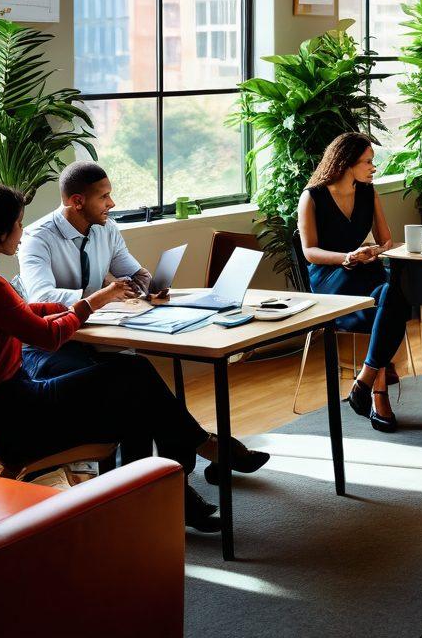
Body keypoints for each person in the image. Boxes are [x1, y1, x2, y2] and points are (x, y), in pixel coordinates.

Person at [0, 183, 235, 532]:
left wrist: (74, 304)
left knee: (135, 397)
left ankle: (158, 494)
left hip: (5, 409)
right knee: (134, 373)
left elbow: (20, 312)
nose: (22, 231)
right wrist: (92, 303)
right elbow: (47, 337)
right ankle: (194, 447)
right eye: (18, 223)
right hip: (18, 420)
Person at [18, 160, 267, 478]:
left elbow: (134, 272)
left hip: (95, 338)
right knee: (135, 389)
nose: (112, 203)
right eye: (103, 196)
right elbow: (41, 298)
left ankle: (172, 475)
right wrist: (101, 297)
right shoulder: (38, 238)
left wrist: (150, 287)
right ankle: (193, 456)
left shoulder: (106, 229)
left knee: (137, 381)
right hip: (52, 348)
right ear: (77, 201)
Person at [297, 133, 411, 433]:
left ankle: (365, 378)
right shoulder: (312, 196)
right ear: (347, 163)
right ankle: (377, 391)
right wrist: (345, 257)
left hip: (365, 269)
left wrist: (375, 250)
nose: (373, 167)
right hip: (331, 277)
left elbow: (386, 240)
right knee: (389, 307)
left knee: (394, 292)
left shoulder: (368, 192)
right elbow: (310, 251)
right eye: (368, 162)